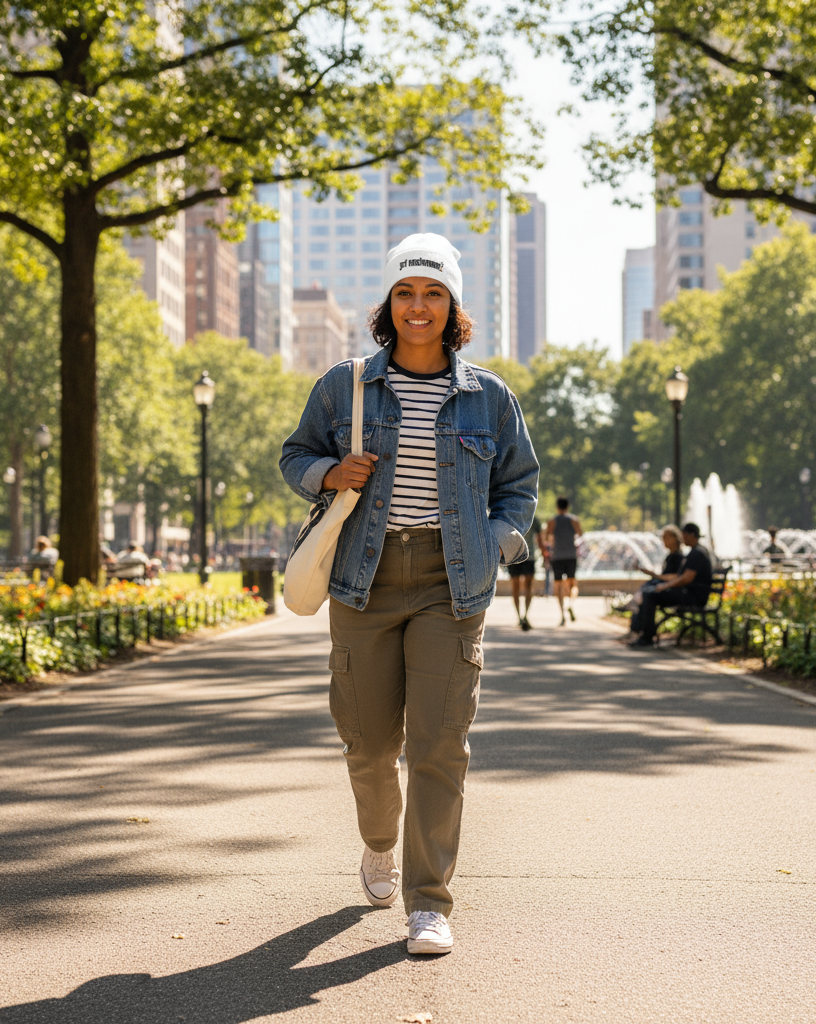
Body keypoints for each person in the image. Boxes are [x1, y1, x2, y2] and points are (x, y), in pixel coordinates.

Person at [280, 232, 538, 956]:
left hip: (450, 583)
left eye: (432, 293)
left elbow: (519, 489)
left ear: (452, 305)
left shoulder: (489, 397)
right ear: (388, 304)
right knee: (367, 744)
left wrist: (494, 545)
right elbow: (295, 453)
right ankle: (377, 844)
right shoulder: (345, 384)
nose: (417, 307)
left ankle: (429, 901)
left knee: (438, 745)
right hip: (362, 580)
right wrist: (329, 475)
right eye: (404, 292)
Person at [630, 522, 712, 648]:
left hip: (693, 596)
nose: (682, 538)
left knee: (651, 595)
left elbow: (686, 579)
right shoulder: (696, 552)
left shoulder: (697, 553)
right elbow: (683, 577)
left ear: (691, 535)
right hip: (690, 593)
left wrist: (665, 586)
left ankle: (646, 637)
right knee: (650, 592)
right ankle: (643, 633)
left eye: (683, 535)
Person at [616, 525, 685, 627]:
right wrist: (650, 573)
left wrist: (656, 576)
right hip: (665, 586)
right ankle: (637, 628)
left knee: (647, 595)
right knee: (646, 593)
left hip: (671, 590)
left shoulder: (678, 557)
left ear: (675, 538)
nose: (663, 541)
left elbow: (676, 577)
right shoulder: (670, 556)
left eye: (666, 538)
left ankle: (643, 631)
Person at [544, 497, 582, 626]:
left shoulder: (552, 521)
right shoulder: (573, 520)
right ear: (568, 506)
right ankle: (571, 604)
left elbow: (547, 537)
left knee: (558, 585)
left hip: (557, 556)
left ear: (557, 507)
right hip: (571, 555)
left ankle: (562, 615)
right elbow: (580, 534)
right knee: (572, 582)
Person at [508, 517, 542, 630]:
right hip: (521, 555)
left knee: (518, 586)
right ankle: (521, 616)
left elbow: (540, 538)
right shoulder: (532, 516)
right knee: (524, 586)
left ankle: (523, 616)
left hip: (521, 555)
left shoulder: (533, 518)